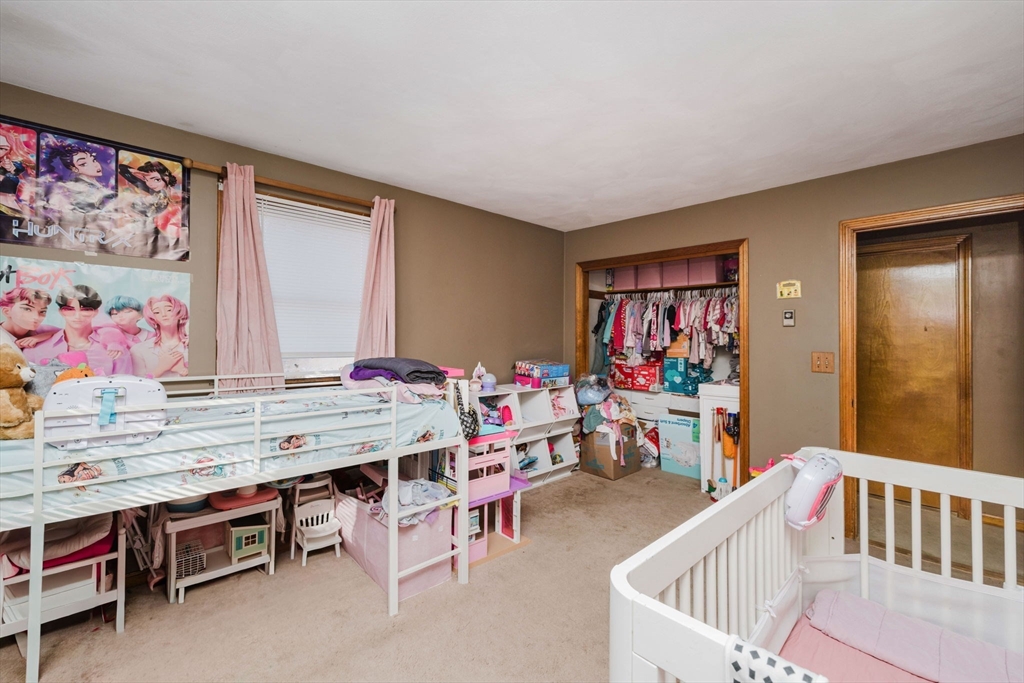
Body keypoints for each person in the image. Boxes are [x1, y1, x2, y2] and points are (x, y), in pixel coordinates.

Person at [22, 284, 132, 375]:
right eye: (69, 309)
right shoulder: (35, 350)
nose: (77, 316)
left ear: (95, 312)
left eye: (86, 310)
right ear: (61, 311)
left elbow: (125, 388)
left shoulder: (115, 350)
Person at [117, 160, 182, 238]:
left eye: (156, 180)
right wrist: (137, 172)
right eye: (146, 180)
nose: (150, 184)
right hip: (144, 231)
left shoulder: (177, 196)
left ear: (167, 178)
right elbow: (121, 169)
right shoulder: (153, 190)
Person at [130, 294, 188, 378]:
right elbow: (138, 384)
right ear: (153, 318)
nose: (164, 314)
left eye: (169, 310)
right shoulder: (139, 350)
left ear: (179, 313)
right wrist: (161, 368)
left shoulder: (191, 346)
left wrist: (182, 370)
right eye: (157, 312)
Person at [0, 287, 56, 351]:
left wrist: (42, 336)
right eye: (27, 309)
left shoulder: (42, 330)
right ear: (7, 311)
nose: (36, 317)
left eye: (42, 311)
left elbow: (65, 332)